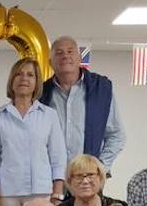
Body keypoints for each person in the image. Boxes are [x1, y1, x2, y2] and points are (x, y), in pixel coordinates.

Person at [0, 57, 66, 206]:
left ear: (37, 83)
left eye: (30, 75)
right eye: (19, 74)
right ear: (12, 81)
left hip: (41, 190)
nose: (24, 78)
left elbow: (58, 157)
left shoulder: (49, 116)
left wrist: (57, 194)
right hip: (7, 192)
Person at [39, 36, 126, 171]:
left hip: (88, 179)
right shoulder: (41, 93)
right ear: (50, 62)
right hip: (49, 178)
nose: (65, 56)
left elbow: (116, 134)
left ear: (80, 58)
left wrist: (100, 167)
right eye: (59, 53)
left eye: (70, 51)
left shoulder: (101, 89)